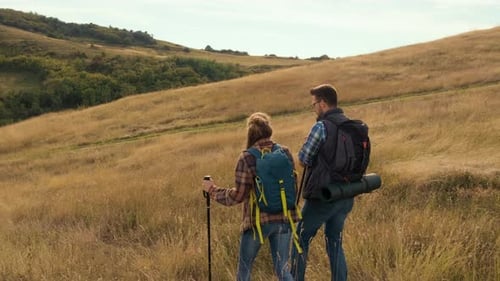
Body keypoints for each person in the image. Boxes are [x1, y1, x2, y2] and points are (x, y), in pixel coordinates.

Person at [202, 112, 298, 281]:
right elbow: (293, 185)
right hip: (285, 218)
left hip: (257, 223)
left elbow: (238, 196)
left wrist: (213, 191)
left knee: (244, 271)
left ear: (251, 133)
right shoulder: (285, 152)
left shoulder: (247, 157)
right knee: (283, 270)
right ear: (268, 129)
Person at [291, 84, 355, 281]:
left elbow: (303, 160)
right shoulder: (350, 125)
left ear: (323, 103)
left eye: (314, 104)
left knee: (299, 238)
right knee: (334, 240)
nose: (314, 109)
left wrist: (308, 144)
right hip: (346, 194)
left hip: (324, 196)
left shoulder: (321, 127)